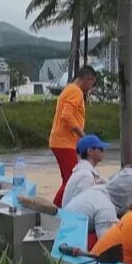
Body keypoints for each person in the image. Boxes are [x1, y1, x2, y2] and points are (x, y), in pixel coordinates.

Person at [21, 169, 132, 249]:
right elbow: (109, 246)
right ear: (128, 197)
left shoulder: (98, 189)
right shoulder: (106, 209)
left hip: (60, 226)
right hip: (66, 242)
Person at [49, 66, 97, 207]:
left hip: (63, 141)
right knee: (71, 180)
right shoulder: (75, 91)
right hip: (64, 142)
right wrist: (83, 136)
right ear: (88, 79)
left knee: (68, 180)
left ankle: (56, 210)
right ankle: (55, 210)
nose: (90, 88)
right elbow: (67, 116)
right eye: (92, 84)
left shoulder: (69, 89)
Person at [60, 134, 110, 206]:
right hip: (76, 216)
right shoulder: (85, 176)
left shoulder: (85, 171)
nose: (103, 151)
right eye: (101, 149)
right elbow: (82, 206)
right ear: (90, 151)